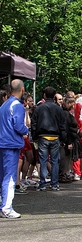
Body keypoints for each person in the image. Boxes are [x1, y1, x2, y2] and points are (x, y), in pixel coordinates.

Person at [0, 79, 29, 218]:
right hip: (11, 144)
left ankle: (3, 204)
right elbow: (18, 125)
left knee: (2, 176)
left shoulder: (4, 105)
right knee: (10, 177)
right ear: (22, 89)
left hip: (2, 143)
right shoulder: (17, 106)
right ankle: (6, 208)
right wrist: (26, 131)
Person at [31, 86, 67, 191]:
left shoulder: (39, 108)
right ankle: (54, 184)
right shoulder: (58, 109)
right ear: (54, 96)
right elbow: (62, 125)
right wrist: (63, 138)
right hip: (55, 137)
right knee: (55, 161)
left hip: (42, 136)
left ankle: (42, 184)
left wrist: (34, 136)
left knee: (43, 161)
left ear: (44, 95)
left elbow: (34, 123)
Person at [59, 97, 81, 183]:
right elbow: (66, 129)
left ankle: (66, 174)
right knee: (65, 158)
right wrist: (68, 142)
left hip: (70, 138)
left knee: (68, 158)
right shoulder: (66, 115)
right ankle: (63, 175)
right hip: (67, 139)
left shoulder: (67, 114)